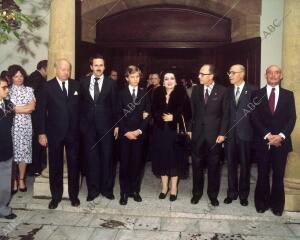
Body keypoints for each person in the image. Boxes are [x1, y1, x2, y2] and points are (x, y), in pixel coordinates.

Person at [251, 65, 296, 216]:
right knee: (262, 174)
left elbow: (292, 118)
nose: (273, 75)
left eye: (277, 73)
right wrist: (268, 135)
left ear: (281, 76)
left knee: (278, 175)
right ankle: (261, 203)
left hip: (281, 143)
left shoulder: (288, 95)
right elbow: (254, 118)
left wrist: (281, 136)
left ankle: (277, 206)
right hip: (263, 141)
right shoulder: (256, 94)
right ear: (266, 75)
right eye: (270, 72)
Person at [38, 59, 80, 209]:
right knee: (55, 166)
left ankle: (74, 196)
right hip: (54, 133)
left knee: (74, 165)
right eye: (63, 69)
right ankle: (55, 197)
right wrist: (42, 133)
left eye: (68, 69)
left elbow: (81, 109)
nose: (66, 72)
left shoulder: (76, 85)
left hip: (73, 134)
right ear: (55, 69)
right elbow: (41, 112)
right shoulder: (47, 87)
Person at [80, 54, 118, 202]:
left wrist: (116, 126)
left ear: (104, 67)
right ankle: (93, 190)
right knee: (91, 159)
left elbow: (115, 107)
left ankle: (107, 190)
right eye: (96, 65)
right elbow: (79, 106)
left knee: (107, 158)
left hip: (106, 127)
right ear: (91, 67)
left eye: (101, 65)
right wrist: (81, 125)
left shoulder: (111, 83)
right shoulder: (82, 82)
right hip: (88, 128)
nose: (98, 68)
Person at [190, 64, 228, 206]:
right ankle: (196, 193)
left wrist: (223, 133)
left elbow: (225, 115)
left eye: (202, 74)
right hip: (198, 135)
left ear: (211, 76)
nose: (199, 76)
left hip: (214, 136)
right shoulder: (196, 90)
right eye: (199, 74)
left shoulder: (223, 91)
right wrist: (189, 129)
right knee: (196, 165)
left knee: (214, 167)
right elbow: (191, 113)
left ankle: (213, 195)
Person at [151, 71, 191, 201]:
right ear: (163, 81)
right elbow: (153, 111)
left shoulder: (182, 93)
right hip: (160, 132)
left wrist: (174, 117)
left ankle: (174, 188)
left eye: (172, 78)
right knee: (162, 158)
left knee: (174, 160)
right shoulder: (157, 93)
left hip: (175, 132)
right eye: (166, 79)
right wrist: (159, 117)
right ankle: (164, 187)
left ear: (176, 80)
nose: (169, 81)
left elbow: (188, 114)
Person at [117, 65, 150, 205]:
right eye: (132, 77)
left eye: (137, 76)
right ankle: (124, 192)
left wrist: (139, 131)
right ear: (127, 78)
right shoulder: (120, 93)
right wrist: (126, 132)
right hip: (125, 135)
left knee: (137, 164)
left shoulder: (144, 93)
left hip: (139, 135)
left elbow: (148, 115)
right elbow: (118, 115)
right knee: (124, 164)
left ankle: (135, 191)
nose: (135, 79)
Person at [224, 64, 256, 206]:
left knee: (245, 166)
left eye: (233, 72)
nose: (229, 75)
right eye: (229, 72)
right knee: (230, 165)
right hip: (230, 135)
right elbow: (224, 114)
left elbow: (257, 116)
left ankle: (243, 195)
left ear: (242, 74)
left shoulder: (253, 90)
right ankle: (231, 193)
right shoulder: (227, 91)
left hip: (246, 135)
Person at [8, 65, 36, 194]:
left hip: (26, 126)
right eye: (16, 76)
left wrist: (18, 108)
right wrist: (21, 108)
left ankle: (21, 179)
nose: (19, 79)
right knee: (13, 154)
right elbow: (11, 109)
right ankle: (13, 180)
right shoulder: (7, 91)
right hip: (11, 126)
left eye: (21, 76)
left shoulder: (30, 90)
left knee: (24, 152)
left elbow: (31, 108)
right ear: (11, 78)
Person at [26, 60, 48, 176]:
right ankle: (35, 168)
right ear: (44, 68)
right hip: (36, 114)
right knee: (36, 142)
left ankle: (36, 167)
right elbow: (31, 94)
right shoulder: (36, 77)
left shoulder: (37, 77)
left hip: (38, 113)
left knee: (38, 142)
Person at [0, 77, 17, 220]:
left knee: (5, 182)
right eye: (4, 88)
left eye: (7, 87)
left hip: (5, 148)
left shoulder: (9, 104)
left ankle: (3, 208)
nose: (7, 90)